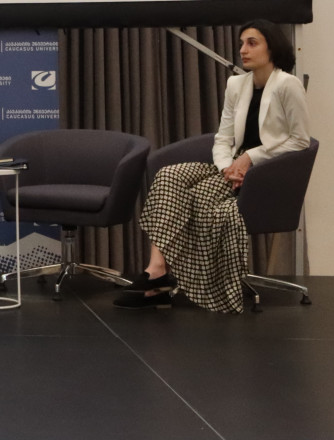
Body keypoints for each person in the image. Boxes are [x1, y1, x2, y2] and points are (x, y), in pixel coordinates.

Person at [116, 19, 309, 313]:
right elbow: (223, 138)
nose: (242, 50)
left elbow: (300, 141)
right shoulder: (236, 84)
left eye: (252, 43)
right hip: (230, 165)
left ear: (272, 48)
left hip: (267, 170)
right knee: (169, 176)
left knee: (197, 196)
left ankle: (160, 281)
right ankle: (157, 269)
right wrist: (227, 168)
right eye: (241, 43)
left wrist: (250, 158)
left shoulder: (287, 85)